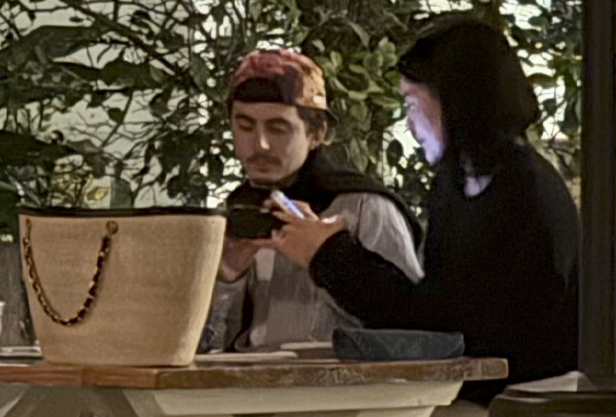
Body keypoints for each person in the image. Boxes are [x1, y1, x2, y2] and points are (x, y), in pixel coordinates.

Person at [265, 16, 580, 408]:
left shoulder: (527, 192)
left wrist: (331, 254)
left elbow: (450, 330)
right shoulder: (454, 185)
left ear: (457, 101)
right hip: (468, 395)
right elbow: (435, 316)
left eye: (412, 103)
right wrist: (329, 253)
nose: (409, 123)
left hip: (523, 401)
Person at [203, 48, 424, 353]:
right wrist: (226, 277)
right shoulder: (234, 215)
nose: (260, 144)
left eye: (277, 128)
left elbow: (415, 329)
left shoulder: (364, 208)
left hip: (342, 382)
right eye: (245, 126)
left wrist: (330, 257)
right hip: (247, 380)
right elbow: (203, 346)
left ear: (317, 132)